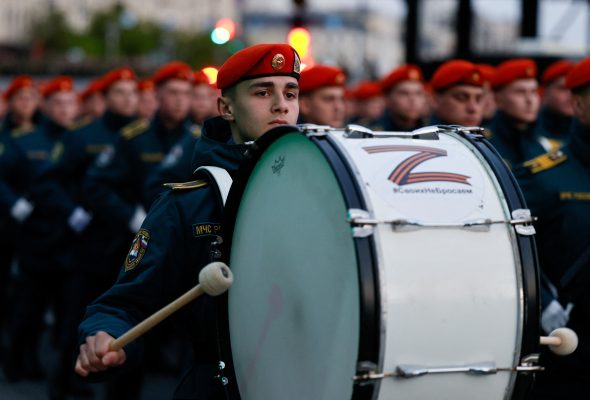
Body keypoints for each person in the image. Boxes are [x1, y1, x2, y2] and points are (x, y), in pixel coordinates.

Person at [74, 43, 301, 400]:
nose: (281, 105)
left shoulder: (323, 193)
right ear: (226, 107)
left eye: (291, 92)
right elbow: (121, 305)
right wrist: (105, 336)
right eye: (262, 92)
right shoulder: (188, 204)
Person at [34, 67, 139, 399]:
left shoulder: (142, 135)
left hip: (129, 243)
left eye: (133, 93)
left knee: (129, 325)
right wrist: (71, 211)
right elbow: (48, 180)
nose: (128, 99)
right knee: (77, 318)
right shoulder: (82, 135)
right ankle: (63, 384)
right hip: (89, 242)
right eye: (120, 93)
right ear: (104, 98)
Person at [514, 56, 590, 400]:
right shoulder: (542, 177)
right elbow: (509, 250)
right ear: (578, 103)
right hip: (568, 346)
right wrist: (542, 305)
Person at [1, 76, 78, 382]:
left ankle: (60, 370)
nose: (64, 109)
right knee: (29, 305)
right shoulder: (21, 140)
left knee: (67, 306)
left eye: (70, 102)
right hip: (35, 233)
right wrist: (13, 204)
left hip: (69, 235)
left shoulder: (76, 139)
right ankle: (17, 357)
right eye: (57, 103)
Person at [485, 58, 557, 168]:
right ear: (498, 99)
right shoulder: (484, 145)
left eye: (533, 92)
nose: (530, 100)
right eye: (520, 92)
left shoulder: (546, 146)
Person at [429, 60, 484, 127]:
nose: (473, 108)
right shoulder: (420, 136)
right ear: (436, 100)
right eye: (462, 98)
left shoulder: (488, 136)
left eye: (478, 99)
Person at [371, 64, 426, 131]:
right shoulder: (373, 133)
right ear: (387, 98)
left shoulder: (433, 130)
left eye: (418, 93)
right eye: (404, 93)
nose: (413, 100)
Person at [538, 59, 574, 144]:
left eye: (574, 89)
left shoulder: (583, 131)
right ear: (545, 92)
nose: (570, 96)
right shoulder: (527, 131)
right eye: (562, 89)